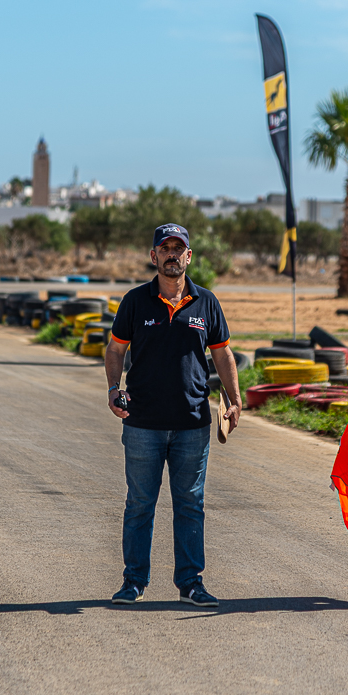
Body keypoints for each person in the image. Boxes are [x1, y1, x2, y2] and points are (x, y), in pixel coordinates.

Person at [104, 223, 242, 607]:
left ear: (188, 256)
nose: (171, 254)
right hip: (142, 424)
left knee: (190, 506)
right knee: (140, 504)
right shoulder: (135, 301)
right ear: (153, 256)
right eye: (164, 248)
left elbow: (223, 354)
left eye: (177, 248)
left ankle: (191, 584)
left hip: (192, 423)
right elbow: (115, 350)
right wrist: (114, 388)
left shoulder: (206, 302)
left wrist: (234, 399)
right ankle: (133, 582)